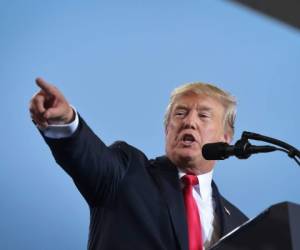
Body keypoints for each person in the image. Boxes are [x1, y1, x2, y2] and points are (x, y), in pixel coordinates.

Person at [30, 77, 248, 250]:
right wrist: (64, 121)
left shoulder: (240, 224)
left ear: (225, 137)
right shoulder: (128, 172)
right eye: (180, 113)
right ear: (167, 129)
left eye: (203, 116)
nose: (189, 122)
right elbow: (89, 157)